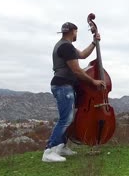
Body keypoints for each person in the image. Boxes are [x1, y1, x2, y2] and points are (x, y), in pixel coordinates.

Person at [42, 22, 105, 162]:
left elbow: (82, 54)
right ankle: (49, 150)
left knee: (68, 119)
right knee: (66, 119)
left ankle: (61, 147)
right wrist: (93, 82)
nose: (77, 34)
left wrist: (94, 43)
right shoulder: (66, 46)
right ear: (73, 32)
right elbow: (77, 70)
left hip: (64, 85)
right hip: (63, 86)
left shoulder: (65, 45)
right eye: (76, 32)